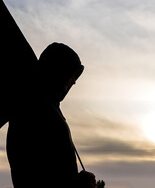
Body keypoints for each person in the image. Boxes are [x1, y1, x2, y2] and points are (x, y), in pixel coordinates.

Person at [7, 42, 96, 188]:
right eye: (71, 75)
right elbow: (37, 176)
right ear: (58, 72)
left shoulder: (41, 107)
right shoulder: (36, 112)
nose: (73, 82)